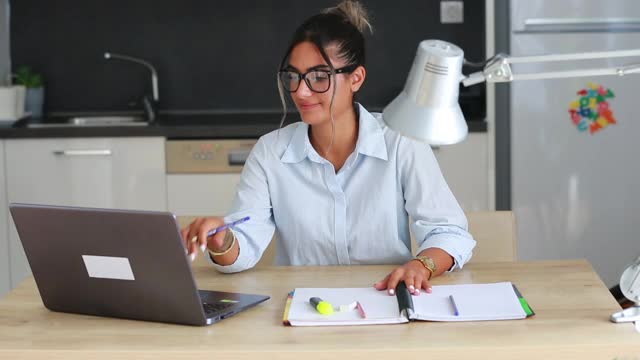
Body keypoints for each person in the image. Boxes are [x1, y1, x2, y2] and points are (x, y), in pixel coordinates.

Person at [181, 0, 476, 296]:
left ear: (356, 78)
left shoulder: (400, 141)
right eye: (293, 76)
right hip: (302, 306)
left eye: (319, 77)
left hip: (384, 297)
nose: (301, 91)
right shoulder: (270, 152)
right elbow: (243, 245)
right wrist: (223, 241)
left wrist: (421, 266)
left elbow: (448, 232)